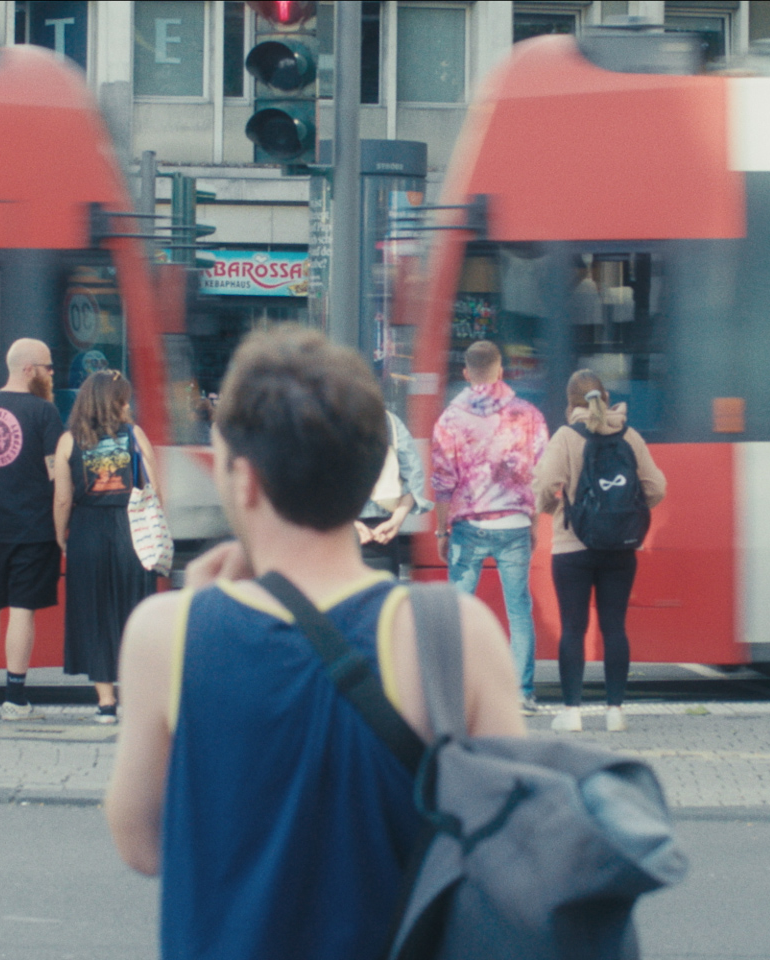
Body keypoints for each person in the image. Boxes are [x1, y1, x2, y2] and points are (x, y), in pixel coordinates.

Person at [103, 325, 525, 960]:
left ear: (244, 481)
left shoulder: (166, 635)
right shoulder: (457, 634)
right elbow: (510, 851)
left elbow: (141, 844)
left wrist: (203, 601)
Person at [534, 370, 666, 734]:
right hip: (620, 546)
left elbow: (546, 484)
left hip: (572, 547)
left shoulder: (565, 437)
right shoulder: (630, 435)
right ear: (606, 397)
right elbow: (657, 487)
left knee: (573, 628)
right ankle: (615, 712)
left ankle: (572, 714)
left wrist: (556, 510)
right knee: (614, 626)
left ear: (570, 403)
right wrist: (630, 508)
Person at [430, 340, 550, 713]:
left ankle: (458, 694)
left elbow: (442, 480)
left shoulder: (450, 418)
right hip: (514, 522)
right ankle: (521, 693)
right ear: (501, 371)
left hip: (468, 525)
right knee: (518, 610)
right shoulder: (527, 414)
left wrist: (440, 531)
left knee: (460, 611)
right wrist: (532, 521)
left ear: (466, 373)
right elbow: (541, 472)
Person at [0, 338, 64, 721]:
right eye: (48, 367)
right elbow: (57, 473)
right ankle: (14, 699)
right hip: (34, 528)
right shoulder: (44, 412)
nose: (52, 374)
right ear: (28, 369)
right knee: (21, 610)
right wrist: (62, 524)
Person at [52, 369, 162, 724]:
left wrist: (60, 537)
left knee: (95, 612)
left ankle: (106, 702)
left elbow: (63, 500)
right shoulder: (136, 435)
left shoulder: (69, 441)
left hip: (87, 532)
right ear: (118, 402)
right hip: (132, 529)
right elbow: (153, 491)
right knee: (134, 610)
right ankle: (138, 696)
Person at [354, 408, 430, 578]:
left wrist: (352, 525)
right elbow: (413, 477)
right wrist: (396, 520)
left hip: (340, 536)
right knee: (383, 600)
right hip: (384, 533)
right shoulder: (389, 421)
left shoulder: (326, 421)